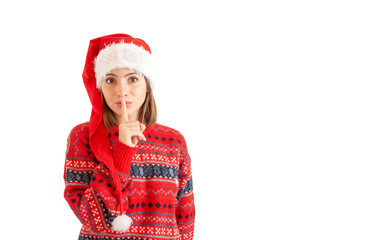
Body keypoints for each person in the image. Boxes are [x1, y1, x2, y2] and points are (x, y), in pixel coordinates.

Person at [63, 33, 195, 240]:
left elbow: (184, 215)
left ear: (147, 84)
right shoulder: (83, 137)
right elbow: (90, 215)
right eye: (110, 80)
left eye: (132, 79)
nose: (121, 91)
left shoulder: (173, 140)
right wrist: (122, 151)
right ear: (100, 88)